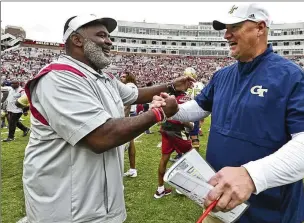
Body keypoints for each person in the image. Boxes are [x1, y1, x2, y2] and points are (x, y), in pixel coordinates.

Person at [152, 3, 304, 223]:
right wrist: (174, 110)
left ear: (260, 28)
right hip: (219, 204)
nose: (226, 35)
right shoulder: (222, 75)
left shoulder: (291, 76)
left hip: (271, 213)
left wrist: (252, 175)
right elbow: (199, 107)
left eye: (234, 26)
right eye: (225, 28)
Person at [22, 14, 193, 223]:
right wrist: (160, 112)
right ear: (77, 40)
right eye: (101, 35)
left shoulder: (103, 76)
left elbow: (135, 94)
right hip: (66, 207)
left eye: (109, 36)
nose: (109, 41)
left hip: (100, 203)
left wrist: (172, 86)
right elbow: (100, 137)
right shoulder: (58, 78)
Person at [154, 90, 193, 198]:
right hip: (177, 130)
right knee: (190, 157)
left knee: (164, 159)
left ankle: (160, 189)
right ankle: (183, 187)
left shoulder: (167, 96)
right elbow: (183, 118)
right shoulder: (184, 98)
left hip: (165, 129)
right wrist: (191, 125)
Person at [121, 71, 139, 178]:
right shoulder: (132, 86)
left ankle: (125, 169)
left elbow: (126, 106)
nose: (121, 78)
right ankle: (132, 169)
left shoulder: (128, 86)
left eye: (123, 77)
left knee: (121, 144)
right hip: (130, 116)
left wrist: (123, 120)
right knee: (131, 143)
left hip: (128, 116)